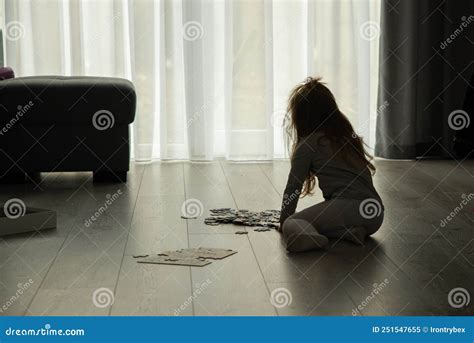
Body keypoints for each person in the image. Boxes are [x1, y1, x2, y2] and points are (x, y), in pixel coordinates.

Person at [279, 77, 384, 252]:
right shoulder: (345, 137)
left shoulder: (307, 145)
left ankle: (310, 238)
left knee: (294, 221)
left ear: (301, 118)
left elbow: (293, 187)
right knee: (327, 220)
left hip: (348, 207)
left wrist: (284, 221)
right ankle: (350, 232)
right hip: (375, 215)